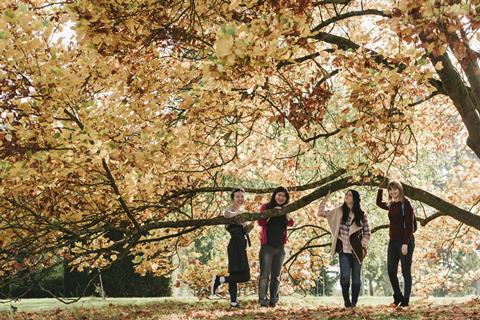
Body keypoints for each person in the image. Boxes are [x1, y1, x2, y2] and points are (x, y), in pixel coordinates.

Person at [318, 190, 371, 308]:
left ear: (355, 198)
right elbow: (321, 213)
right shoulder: (338, 211)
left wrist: (362, 245)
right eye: (346, 194)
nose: (347, 196)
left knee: (356, 279)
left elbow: (367, 233)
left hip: (357, 251)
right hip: (344, 251)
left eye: (350, 194)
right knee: (345, 278)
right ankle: (347, 301)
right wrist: (326, 197)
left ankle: (354, 303)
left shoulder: (361, 214)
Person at [211, 188, 253, 308]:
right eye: (238, 196)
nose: (240, 199)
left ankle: (233, 301)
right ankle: (219, 280)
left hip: (241, 243)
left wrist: (251, 225)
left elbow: (244, 230)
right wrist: (239, 214)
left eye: (242, 196)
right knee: (243, 275)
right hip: (235, 243)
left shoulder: (240, 211)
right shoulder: (230, 209)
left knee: (237, 274)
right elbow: (226, 215)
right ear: (233, 198)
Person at [376, 180, 415, 307]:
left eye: (395, 189)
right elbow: (378, 203)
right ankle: (397, 295)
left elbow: (410, 226)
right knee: (391, 271)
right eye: (390, 190)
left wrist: (405, 244)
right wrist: (380, 188)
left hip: (405, 241)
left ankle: (406, 299)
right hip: (392, 242)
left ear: (400, 189)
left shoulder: (406, 204)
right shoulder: (390, 204)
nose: (393, 192)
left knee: (405, 272)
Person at [258, 186, 294, 307]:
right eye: (279, 195)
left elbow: (291, 223)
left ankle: (274, 300)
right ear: (274, 195)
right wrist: (272, 212)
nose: (281, 197)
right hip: (267, 246)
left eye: (284, 196)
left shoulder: (285, 209)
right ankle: (263, 301)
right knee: (264, 275)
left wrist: (284, 212)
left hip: (280, 247)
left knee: (276, 276)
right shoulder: (266, 207)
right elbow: (260, 222)